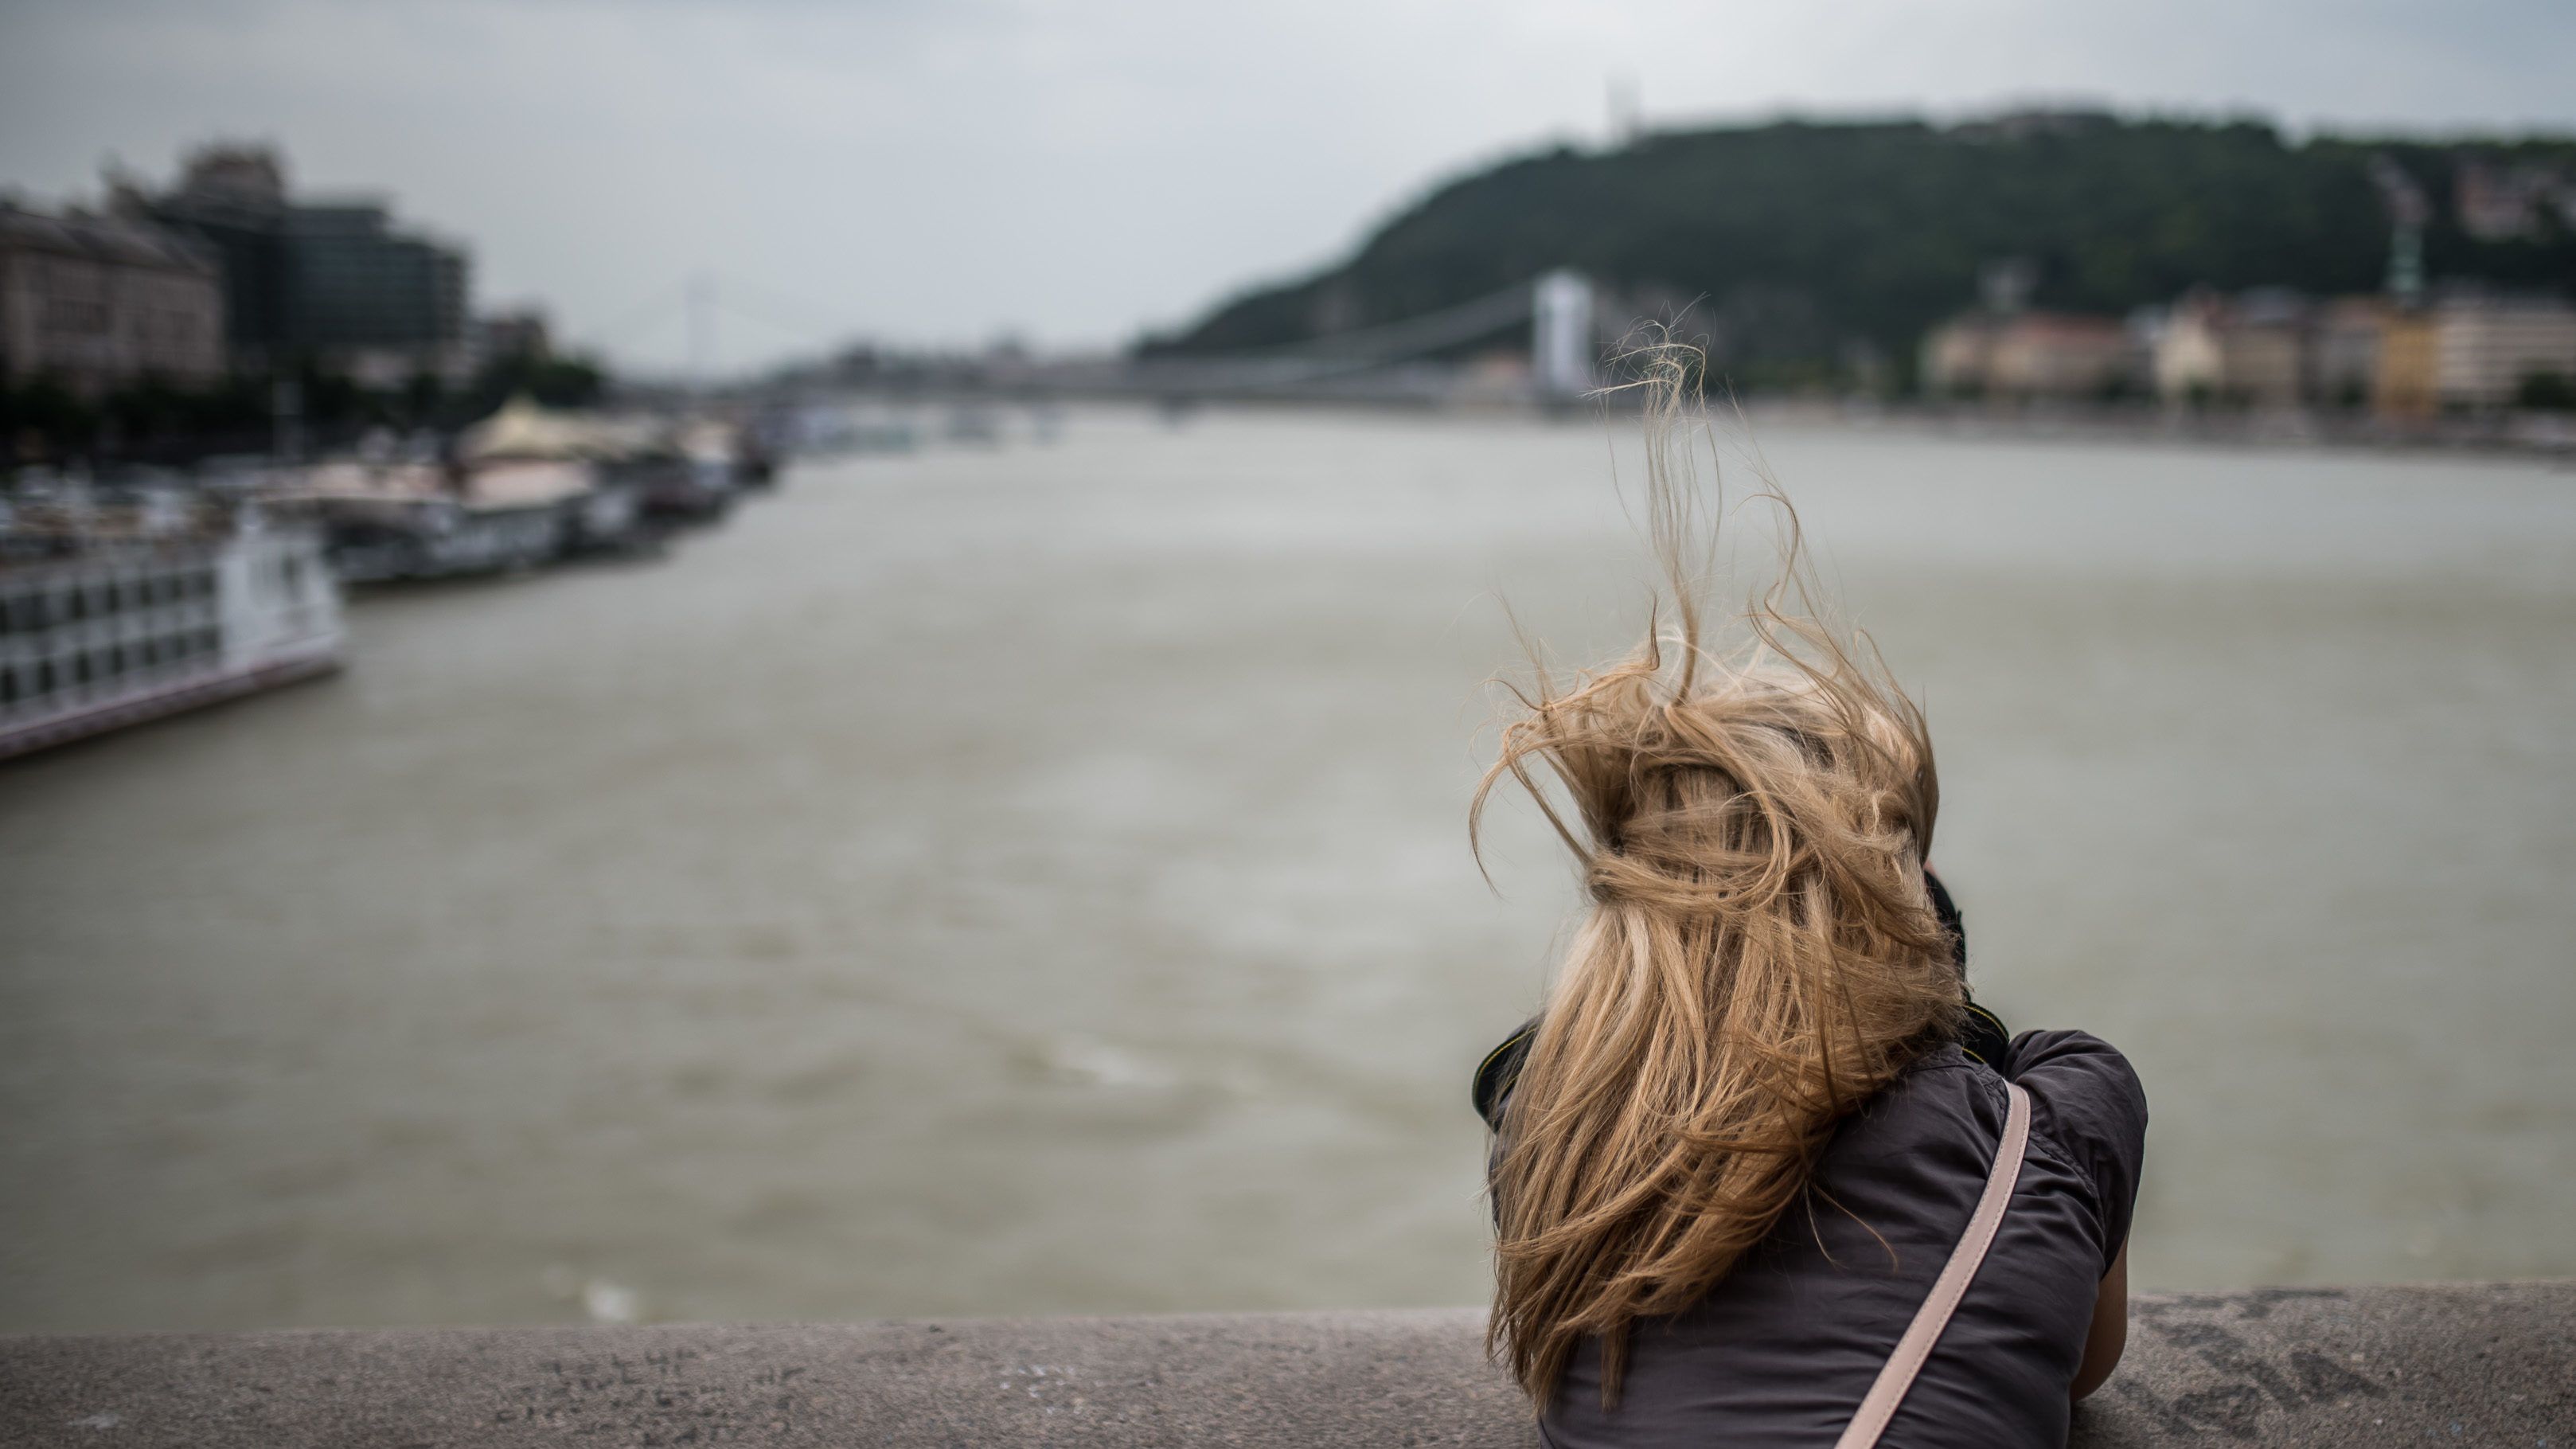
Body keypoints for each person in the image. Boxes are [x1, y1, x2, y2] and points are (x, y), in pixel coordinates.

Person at [1469, 351, 2145, 1448]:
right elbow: (2081, 1364)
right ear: (1910, 900)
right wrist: (1946, 1022)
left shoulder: (1552, 1120)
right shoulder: (2056, 1114)